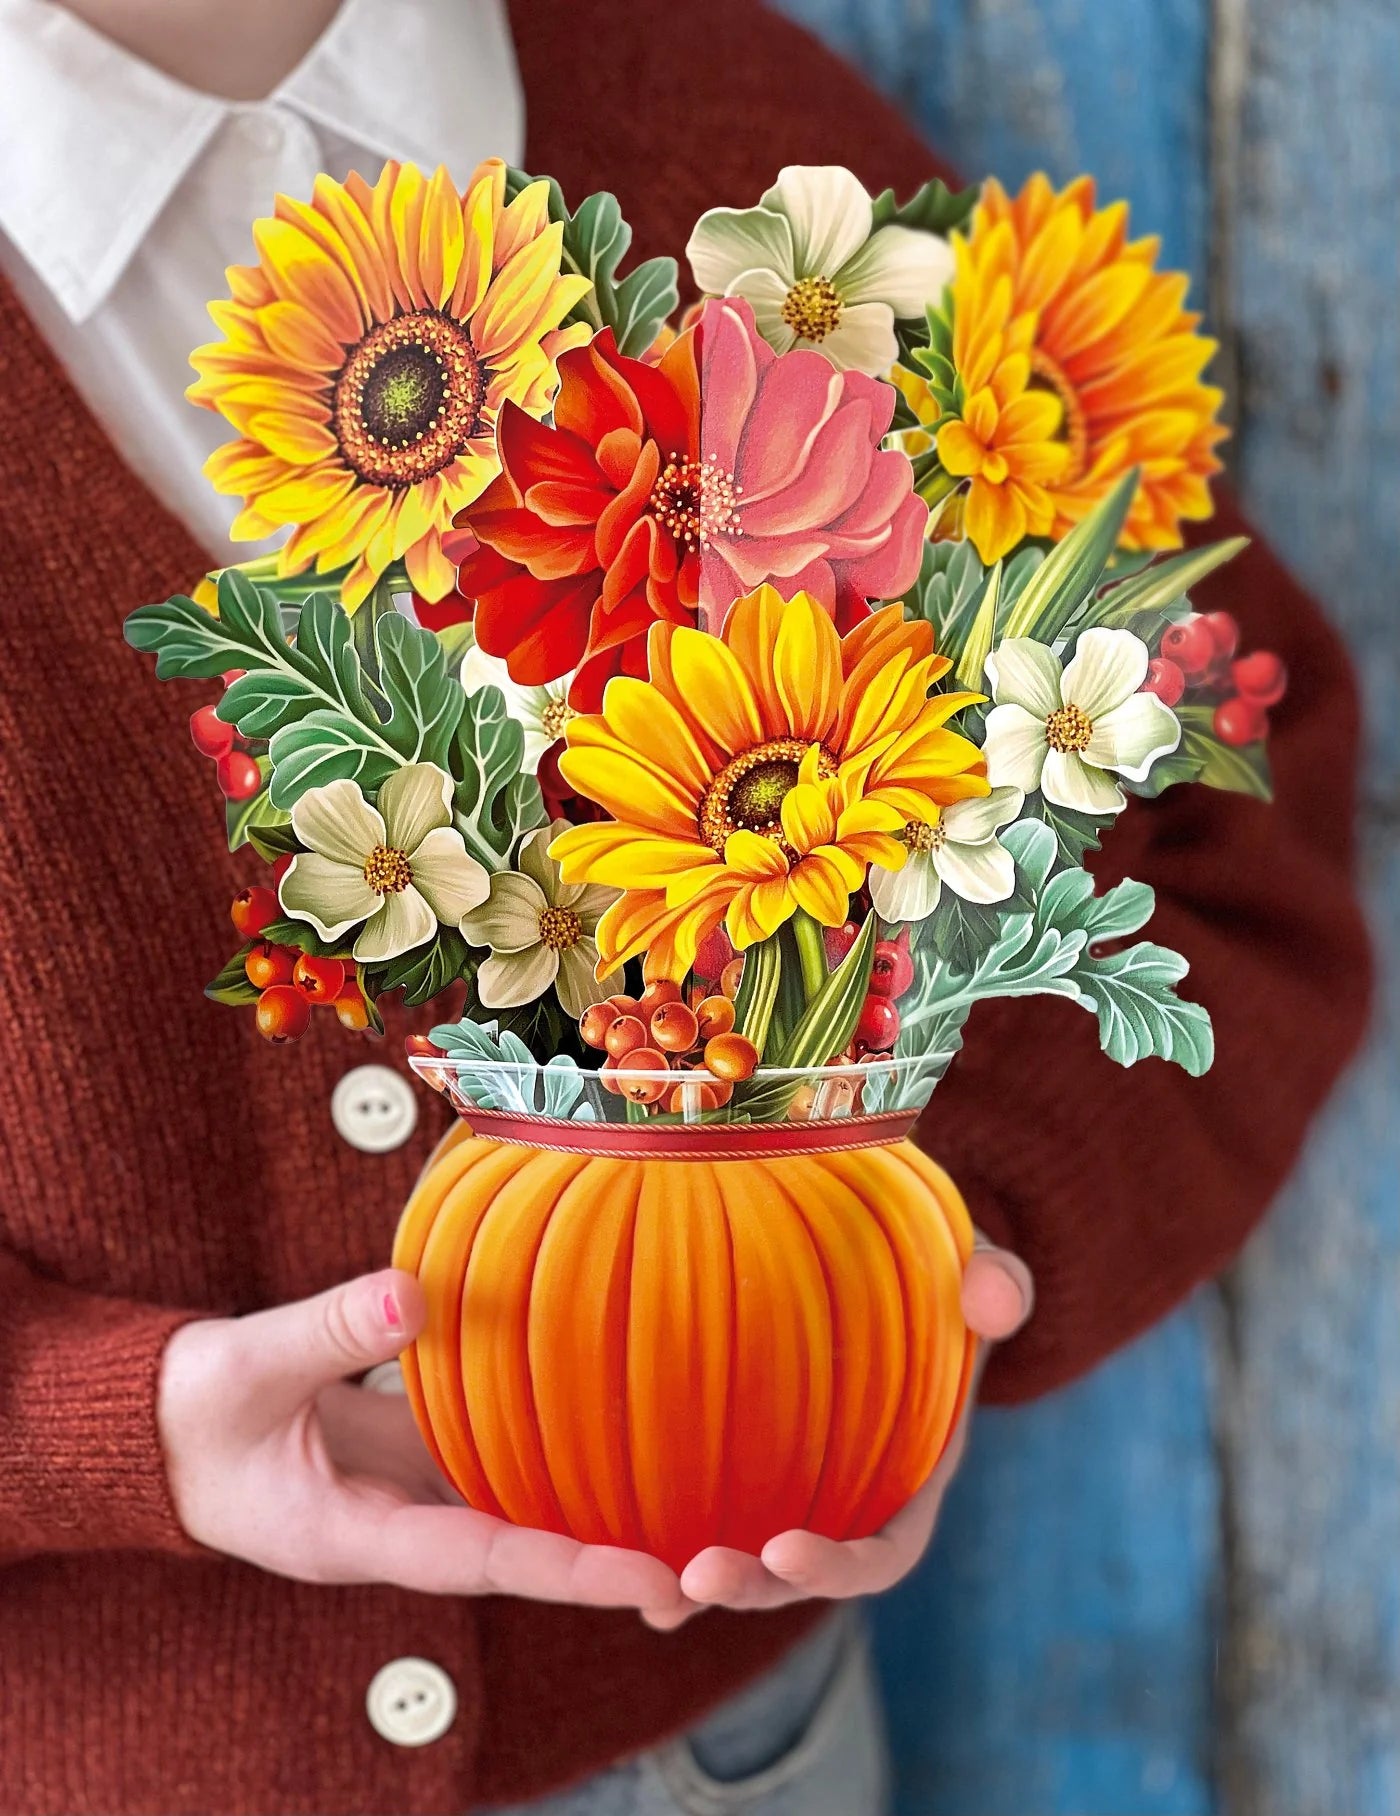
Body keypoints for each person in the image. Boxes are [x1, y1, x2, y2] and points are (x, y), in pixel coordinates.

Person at [0, 1, 1368, 1813]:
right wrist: (87, 1433)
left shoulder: (768, 178)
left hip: (715, 1764)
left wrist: (921, 1289)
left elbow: (1228, 837)